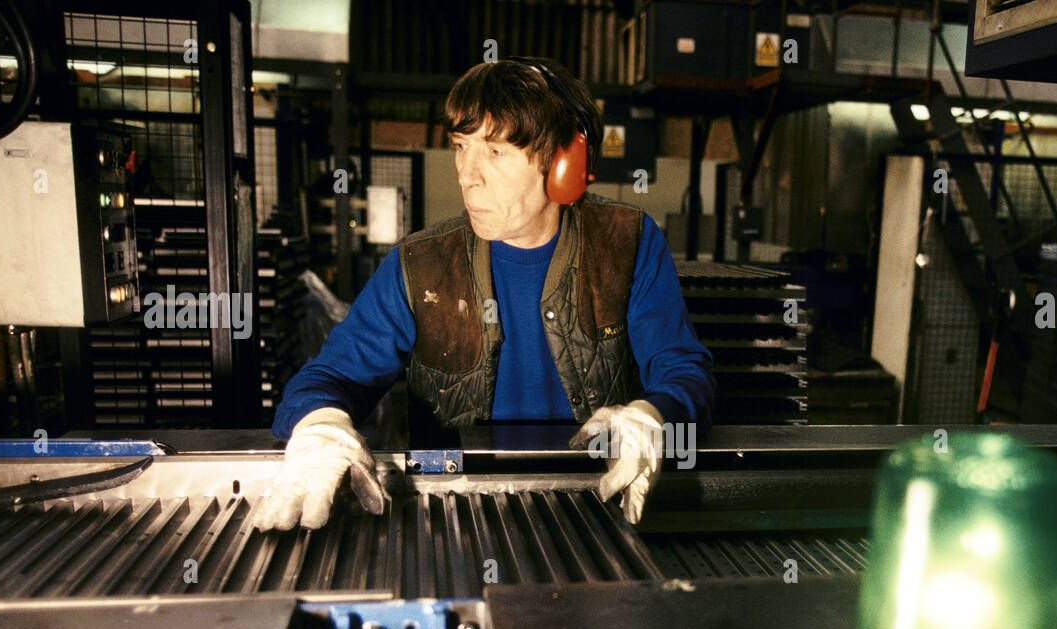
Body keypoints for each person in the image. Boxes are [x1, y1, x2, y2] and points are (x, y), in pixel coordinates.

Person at [258, 56, 715, 532]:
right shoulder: (419, 265)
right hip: (454, 509)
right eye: (460, 146)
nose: (466, 174)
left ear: (564, 162)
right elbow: (329, 376)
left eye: (495, 152)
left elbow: (684, 369)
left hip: (597, 500)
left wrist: (651, 416)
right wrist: (320, 427)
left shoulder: (628, 242)